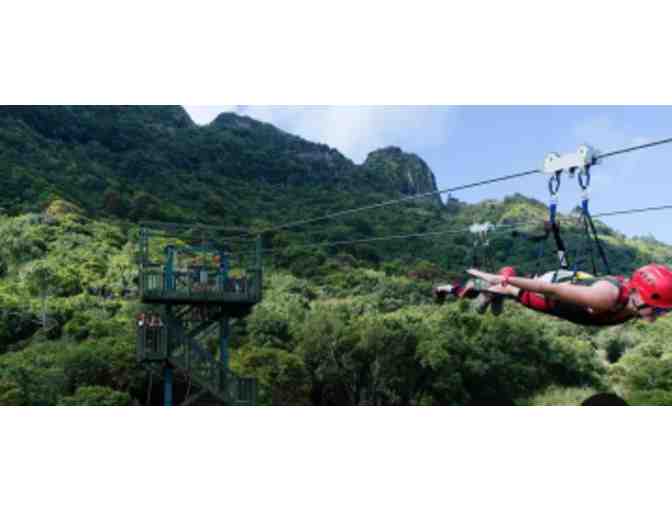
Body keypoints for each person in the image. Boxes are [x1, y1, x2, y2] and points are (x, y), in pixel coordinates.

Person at [435, 264, 672, 326]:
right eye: (660, 309)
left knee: (497, 294)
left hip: (564, 295)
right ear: (640, 297)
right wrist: (503, 279)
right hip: (547, 295)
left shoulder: (635, 305)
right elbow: (552, 290)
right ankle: (494, 282)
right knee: (497, 290)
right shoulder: (607, 298)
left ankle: (495, 289)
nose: (662, 315)